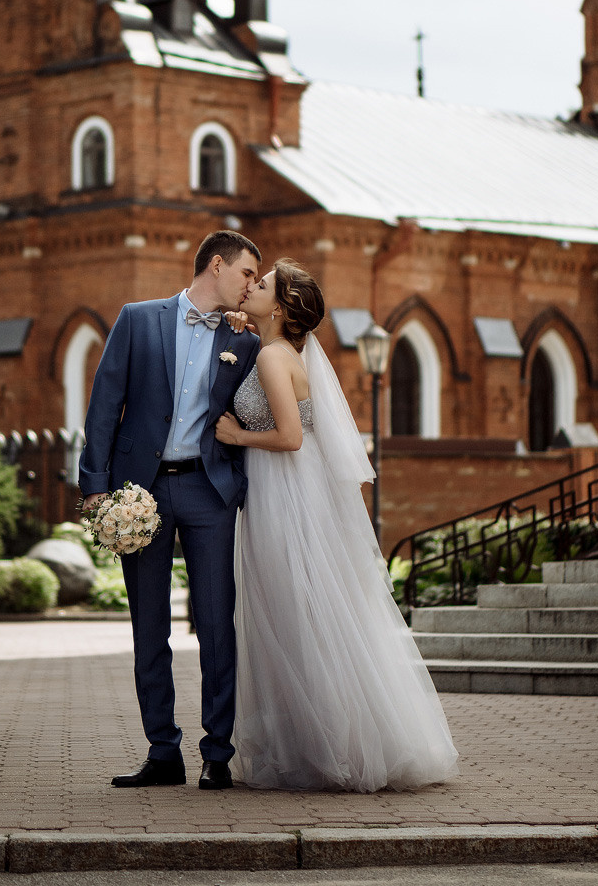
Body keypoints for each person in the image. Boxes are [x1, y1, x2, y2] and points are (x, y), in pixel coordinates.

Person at [215, 259, 459, 791]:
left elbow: (289, 437)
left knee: (295, 616)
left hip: (283, 493)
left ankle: (329, 745)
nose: (250, 287)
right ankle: (317, 739)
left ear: (279, 308)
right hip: (284, 491)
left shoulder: (276, 359)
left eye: (261, 285)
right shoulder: (274, 349)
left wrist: (236, 438)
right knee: (298, 615)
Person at [79, 229, 261, 790]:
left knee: (216, 623)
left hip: (209, 493)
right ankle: (163, 751)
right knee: (148, 625)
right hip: (143, 492)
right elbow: (106, 402)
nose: (252, 285)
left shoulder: (245, 341)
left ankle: (216, 753)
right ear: (216, 265)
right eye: (247, 274)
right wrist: (95, 485)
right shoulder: (138, 319)